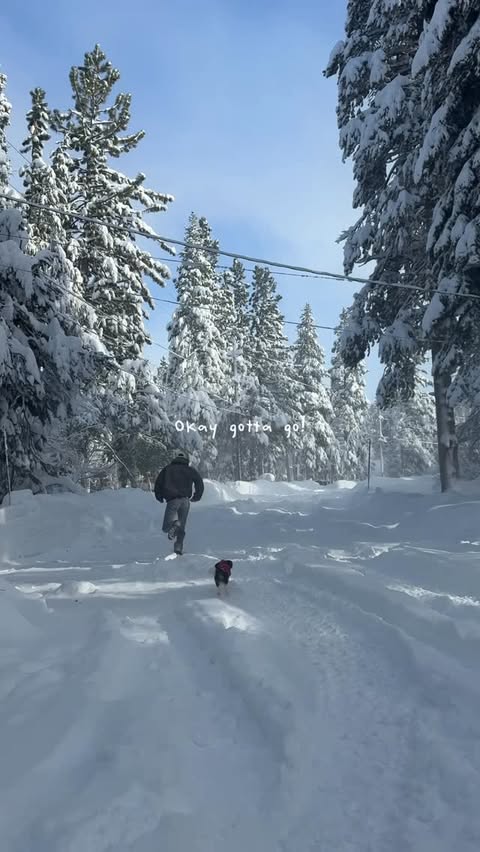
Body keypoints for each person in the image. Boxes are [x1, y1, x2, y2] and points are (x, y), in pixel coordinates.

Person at [154, 451, 204, 554]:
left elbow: (158, 483)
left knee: (166, 527)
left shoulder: (167, 469)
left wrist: (159, 496)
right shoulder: (189, 469)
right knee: (182, 526)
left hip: (172, 500)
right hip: (185, 501)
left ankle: (175, 524)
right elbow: (199, 482)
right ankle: (178, 547)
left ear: (175, 459)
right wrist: (197, 496)